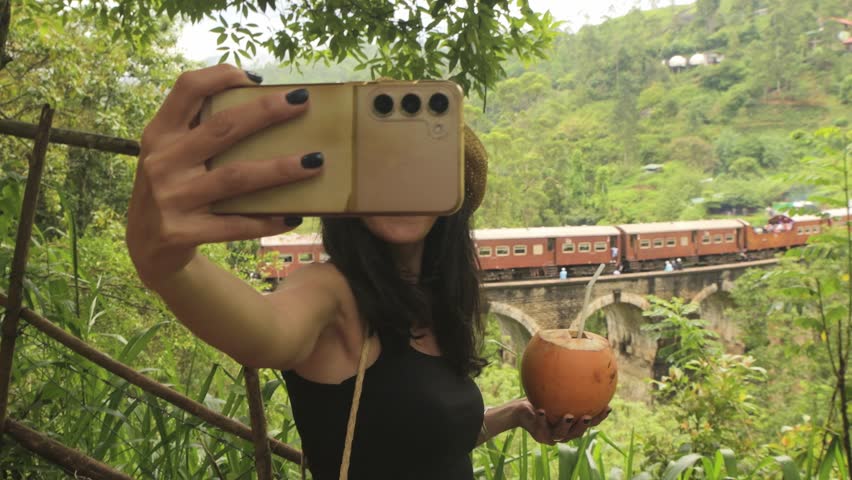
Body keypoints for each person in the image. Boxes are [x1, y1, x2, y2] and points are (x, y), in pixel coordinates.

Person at [125, 65, 610, 480]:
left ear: (454, 196)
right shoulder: (330, 293)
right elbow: (267, 333)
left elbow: (424, 445)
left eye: (420, 164)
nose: (399, 179)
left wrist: (514, 416)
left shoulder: (435, 304)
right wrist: (166, 262)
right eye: (377, 162)